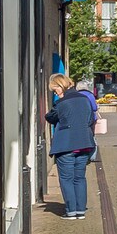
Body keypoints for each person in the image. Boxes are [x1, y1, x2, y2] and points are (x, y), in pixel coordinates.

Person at [45, 76, 98, 220]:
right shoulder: (85, 99)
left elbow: (50, 117)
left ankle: (71, 211)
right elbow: (90, 120)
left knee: (66, 179)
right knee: (79, 177)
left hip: (66, 146)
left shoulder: (61, 103)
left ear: (60, 86)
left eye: (55, 90)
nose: (55, 93)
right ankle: (81, 211)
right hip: (84, 144)